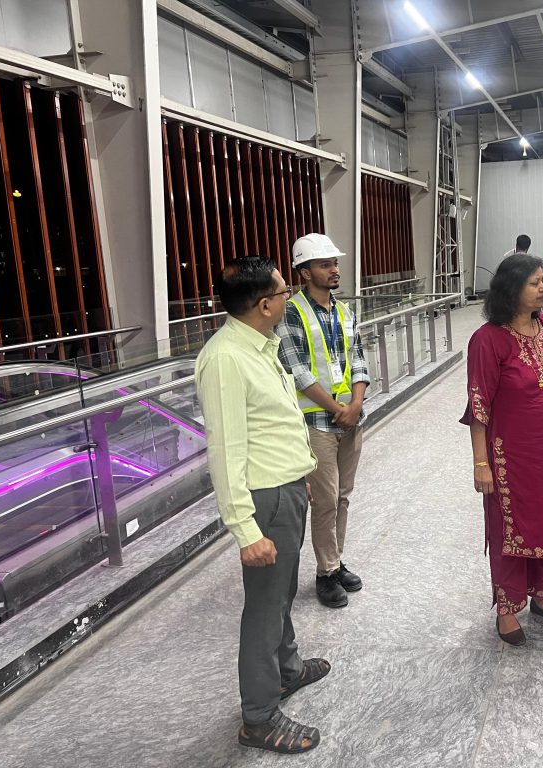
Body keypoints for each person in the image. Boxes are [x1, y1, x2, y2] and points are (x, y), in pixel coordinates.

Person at [195, 256, 328, 755]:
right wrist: (245, 531)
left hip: (286, 487)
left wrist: (302, 475)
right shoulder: (226, 358)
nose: (288, 296)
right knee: (265, 607)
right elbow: (225, 449)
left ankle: (286, 671)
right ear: (264, 303)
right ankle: (258, 716)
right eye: (282, 291)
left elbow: (275, 424)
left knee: (283, 592)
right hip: (265, 499)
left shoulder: (260, 345)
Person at [460, 253, 543, 646]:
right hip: (510, 458)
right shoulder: (488, 340)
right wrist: (481, 464)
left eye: (542, 281)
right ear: (512, 289)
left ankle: (542, 594)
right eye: (535, 282)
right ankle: (507, 606)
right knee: (512, 528)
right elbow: (478, 407)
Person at [276, 233, 370, 609]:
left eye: (334, 262)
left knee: (343, 497)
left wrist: (356, 403)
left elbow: (359, 359)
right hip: (318, 421)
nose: (334, 269)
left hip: (351, 418)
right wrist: (337, 409)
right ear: (304, 272)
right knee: (326, 499)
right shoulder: (291, 313)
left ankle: (335, 560)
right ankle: (325, 572)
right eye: (324, 264)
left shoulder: (345, 312)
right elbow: (297, 371)